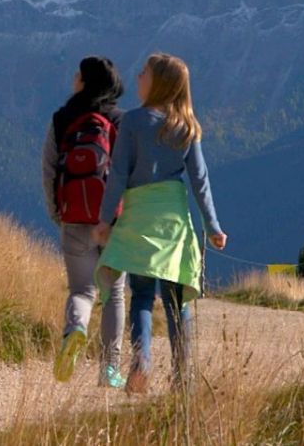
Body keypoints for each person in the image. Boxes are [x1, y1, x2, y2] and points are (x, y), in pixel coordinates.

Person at [94, 53, 228, 394]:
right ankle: (183, 376)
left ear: (158, 83)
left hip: (139, 215)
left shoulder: (133, 122)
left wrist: (106, 219)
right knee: (175, 300)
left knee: (140, 296)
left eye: (144, 73)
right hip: (173, 222)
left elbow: (119, 173)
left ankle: (141, 366)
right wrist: (212, 226)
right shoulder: (187, 127)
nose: (137, 77)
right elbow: (200, 180)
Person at [42, 57, 129, 387]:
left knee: (81, 290)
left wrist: (57, 212)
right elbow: (127, 173)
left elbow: (49, 169)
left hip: (74, 217)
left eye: (78, 74)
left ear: (86, 81)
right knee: (114, 294)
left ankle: (75, 329)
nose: (73, 77)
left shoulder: (62, 118)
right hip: (114, 222)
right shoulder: (120, 120)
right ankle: (109, 370)